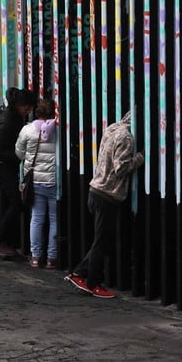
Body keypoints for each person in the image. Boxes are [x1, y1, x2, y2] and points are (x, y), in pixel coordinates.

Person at [65, 110, 144, 298]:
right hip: (108, 195)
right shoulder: (127, 138)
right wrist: (141, 157)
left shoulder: (112, 129)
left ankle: (80, 273)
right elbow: (121, 168)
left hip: (95, 191)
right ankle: (92, 282)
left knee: (103, 241)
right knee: (102, 242)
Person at [0, 86, 37, 258]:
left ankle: (6, 244)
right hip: (3, 166)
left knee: (6, 203)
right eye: (28, 107)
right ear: (19, 104)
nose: (29, 110)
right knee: (17, 204)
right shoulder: (8, 120)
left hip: (5, 166)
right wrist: (19, 156)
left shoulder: (14, 117)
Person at [15, 98, 59, 269]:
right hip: (54, 181)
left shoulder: (27, 130)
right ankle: (51, 259)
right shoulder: (58, 130)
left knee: (37, 219)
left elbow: (19, 153)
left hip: (35, 181)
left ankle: (35, 257)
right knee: (54, 220)